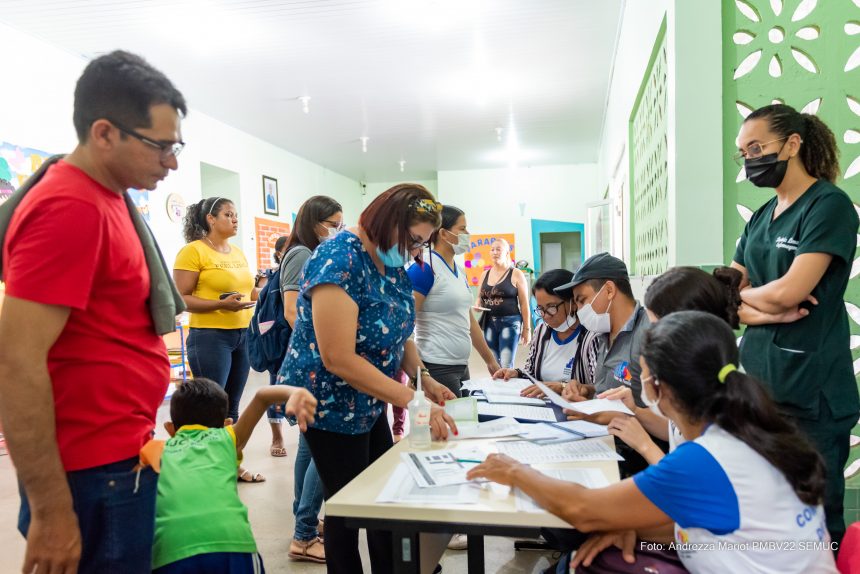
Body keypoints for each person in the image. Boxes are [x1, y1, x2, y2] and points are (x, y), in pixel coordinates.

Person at [0, 51, 186, 574]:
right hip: (89, 474)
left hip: (116, 459)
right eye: (161, 146)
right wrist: (53, 511)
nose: (171, 162)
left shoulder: (107, 198)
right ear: (104, 133)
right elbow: (16, 363)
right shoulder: (71, 208)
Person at [468, 311, 838, 574]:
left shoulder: (705, 459)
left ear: (658, 388)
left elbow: (582, 509)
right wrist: (633, 527)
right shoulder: (748, 432)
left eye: (640, 375)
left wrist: (514, 469)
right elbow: (722, 522)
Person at [278, 184, 458, 574]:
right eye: (412, 240)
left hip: (368, 397)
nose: (413, 252)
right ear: (387, 221)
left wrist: (422, 377)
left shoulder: (391, 261)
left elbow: (400, 328)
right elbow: (338, 357)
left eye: (421, 244)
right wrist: (411, 399)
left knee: (382, 498)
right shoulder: (339, 257)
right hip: (327, 402)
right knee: (347, 505)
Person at [732, 103, 859, 545]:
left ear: (793, 144)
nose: (749, 160)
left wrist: (756, 304)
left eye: (757, 147)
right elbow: (728, 293)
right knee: (770, 515)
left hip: (813, 391)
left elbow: (791, 292)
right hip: (762, 388)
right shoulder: (762, 216)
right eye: (743, 153)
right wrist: (763, 308)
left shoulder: (829, 206)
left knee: (816, 520)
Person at [152, 377, 317, 573]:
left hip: (171, 551)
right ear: (226, 423)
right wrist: (295, 392)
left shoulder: (155, 452)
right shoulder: (226, 439)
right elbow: (263, 397)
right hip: (233, 545)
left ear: (170, 428)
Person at [173, 197, 263, 483]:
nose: (235, 219)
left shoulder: (237, 252)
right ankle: (204, 468)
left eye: (236, 214)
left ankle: (230, 465)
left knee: (232, 407)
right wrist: (219, 305)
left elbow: (247, 292)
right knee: (209, 407)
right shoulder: (193, 252)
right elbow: (181, 298)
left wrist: (262, 293)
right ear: (211, 219)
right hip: (210, 337)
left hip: (242, 334)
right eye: (228, 214)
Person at [278, 194, 343, 563]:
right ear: (313, 222)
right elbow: (292, 312)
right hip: (314, 365)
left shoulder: (308, 251)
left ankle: (303, 521)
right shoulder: (302, 254)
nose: (336, 230)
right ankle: (303, 534)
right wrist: (331, 347)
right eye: (331, 223)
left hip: (313, 362)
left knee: (309, 445)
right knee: (325, 445)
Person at [408, 205, 501, 397]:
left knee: (463, 423)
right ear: (444, 233)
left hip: (460, 364)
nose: (468, 234)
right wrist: (416, 372)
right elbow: (405, 320)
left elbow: (468, 320)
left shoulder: (458, 270)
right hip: (436, 365)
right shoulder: (424, 267)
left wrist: (490, 360)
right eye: (462, 228)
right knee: (448, 424)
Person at [493, 268, 601, 398]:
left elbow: (601, 388)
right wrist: (516, 373)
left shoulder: (592, 336)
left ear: (572, 302)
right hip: (543, 406)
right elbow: (531, 372)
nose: (545, 316)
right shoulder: (542, 331)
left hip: (577, 409)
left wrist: (561, 387)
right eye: (540, 309)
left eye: (551, 307)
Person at [478, 238, 531, 368]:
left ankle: (508, 387)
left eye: (498, 249)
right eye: (492, 249)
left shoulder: (516, 274)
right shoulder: (485, 274)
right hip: (489, 322)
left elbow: (524, 304)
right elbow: (479, 297)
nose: (494, 252)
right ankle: (497, 388)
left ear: (507, 253)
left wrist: (527, 329)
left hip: (510, 322)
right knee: (494, 363)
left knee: (506, 364)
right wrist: (478, 304)